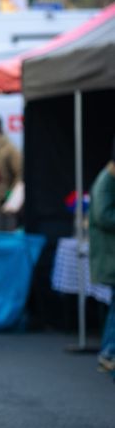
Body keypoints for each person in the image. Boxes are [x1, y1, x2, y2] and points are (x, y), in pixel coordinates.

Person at [88, 140, 115, 376]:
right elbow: (104, 216)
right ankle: (108, 351)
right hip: (109, 253)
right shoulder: (106, 183)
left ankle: (108, 351)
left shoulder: (108, 179)